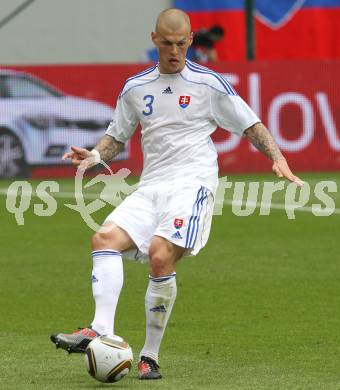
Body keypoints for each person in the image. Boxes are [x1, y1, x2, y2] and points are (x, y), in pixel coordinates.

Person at [51, 8, 303, 380]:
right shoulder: (135, 88)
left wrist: (277, 156)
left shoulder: (209, 84)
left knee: (159, 254)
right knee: (103, 238)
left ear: (190, 41)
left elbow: (251, 124)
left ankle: (149, 356)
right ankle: (100, 329)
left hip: (192, 185)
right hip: (151, 185)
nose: (174, 51)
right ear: (154, 39)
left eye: (181, 44)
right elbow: (116, 137)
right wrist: (93, 154)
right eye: (167, 44)